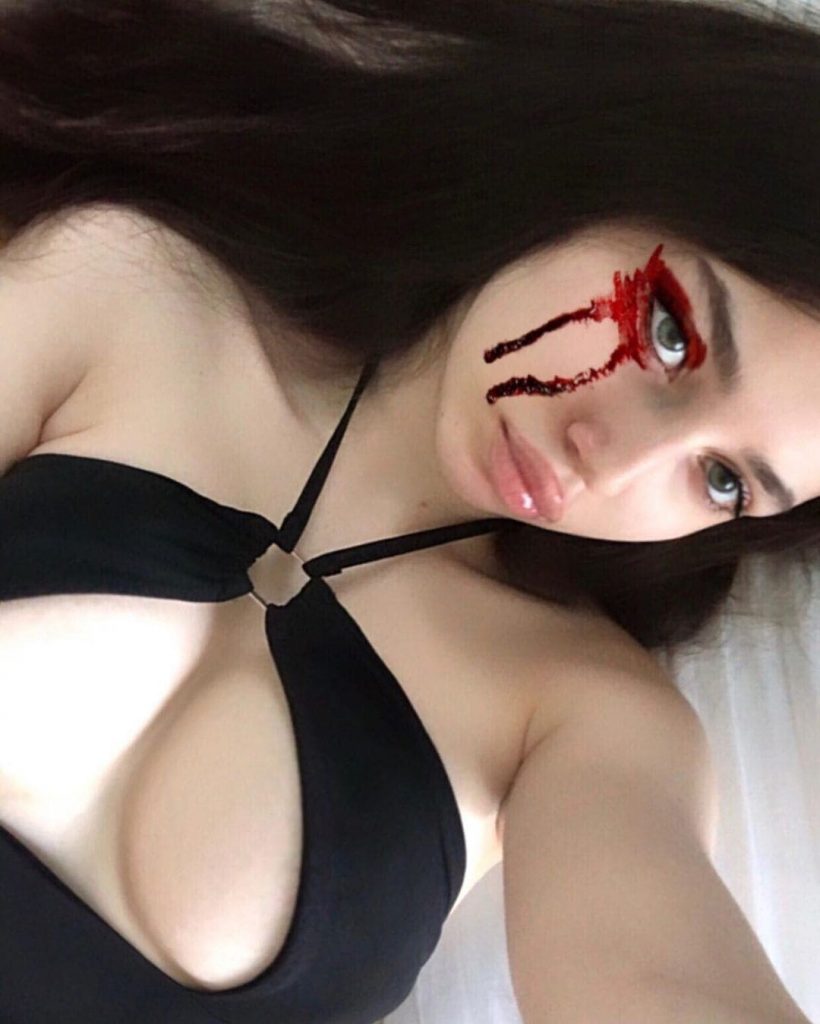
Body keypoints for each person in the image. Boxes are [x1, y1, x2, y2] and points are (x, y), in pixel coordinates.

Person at [0, 0, 817, 1021]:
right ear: (611, 168)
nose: (612, 459)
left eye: (723, 480)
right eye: (667, 331)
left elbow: (660, 983)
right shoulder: (135, 287)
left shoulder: (581, 714)